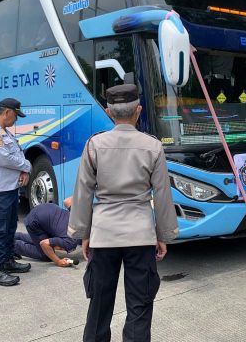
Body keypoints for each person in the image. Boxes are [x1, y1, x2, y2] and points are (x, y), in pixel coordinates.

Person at [68, 83, 179, 342]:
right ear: (138, 111)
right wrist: (163, 235)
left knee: (98, 307)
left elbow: (83, 192)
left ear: (108, 112)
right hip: (140, 236)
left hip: (104, 235)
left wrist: (83, 234)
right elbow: (162, 194)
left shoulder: (94, 145)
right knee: (139, 308)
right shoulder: (152, 147)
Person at [0, 98, 32, 287]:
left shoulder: (5, 133)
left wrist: (24, 170)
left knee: (9, 228)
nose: (16, 120)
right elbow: (4, 158)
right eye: (16, 116)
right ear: (7, 112)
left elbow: (17, 153)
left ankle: (8, 261)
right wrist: (26, 166)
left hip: (9, 188)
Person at [14, 197, 78, 267]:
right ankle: (11, 245)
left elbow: (67, 201)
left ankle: (14, 236)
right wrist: (58, 261)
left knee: (47, 244)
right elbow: (44, 243)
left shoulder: (81, 218)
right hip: (35, 221)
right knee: (47, 255)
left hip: (47, 209)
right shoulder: (70, 241)